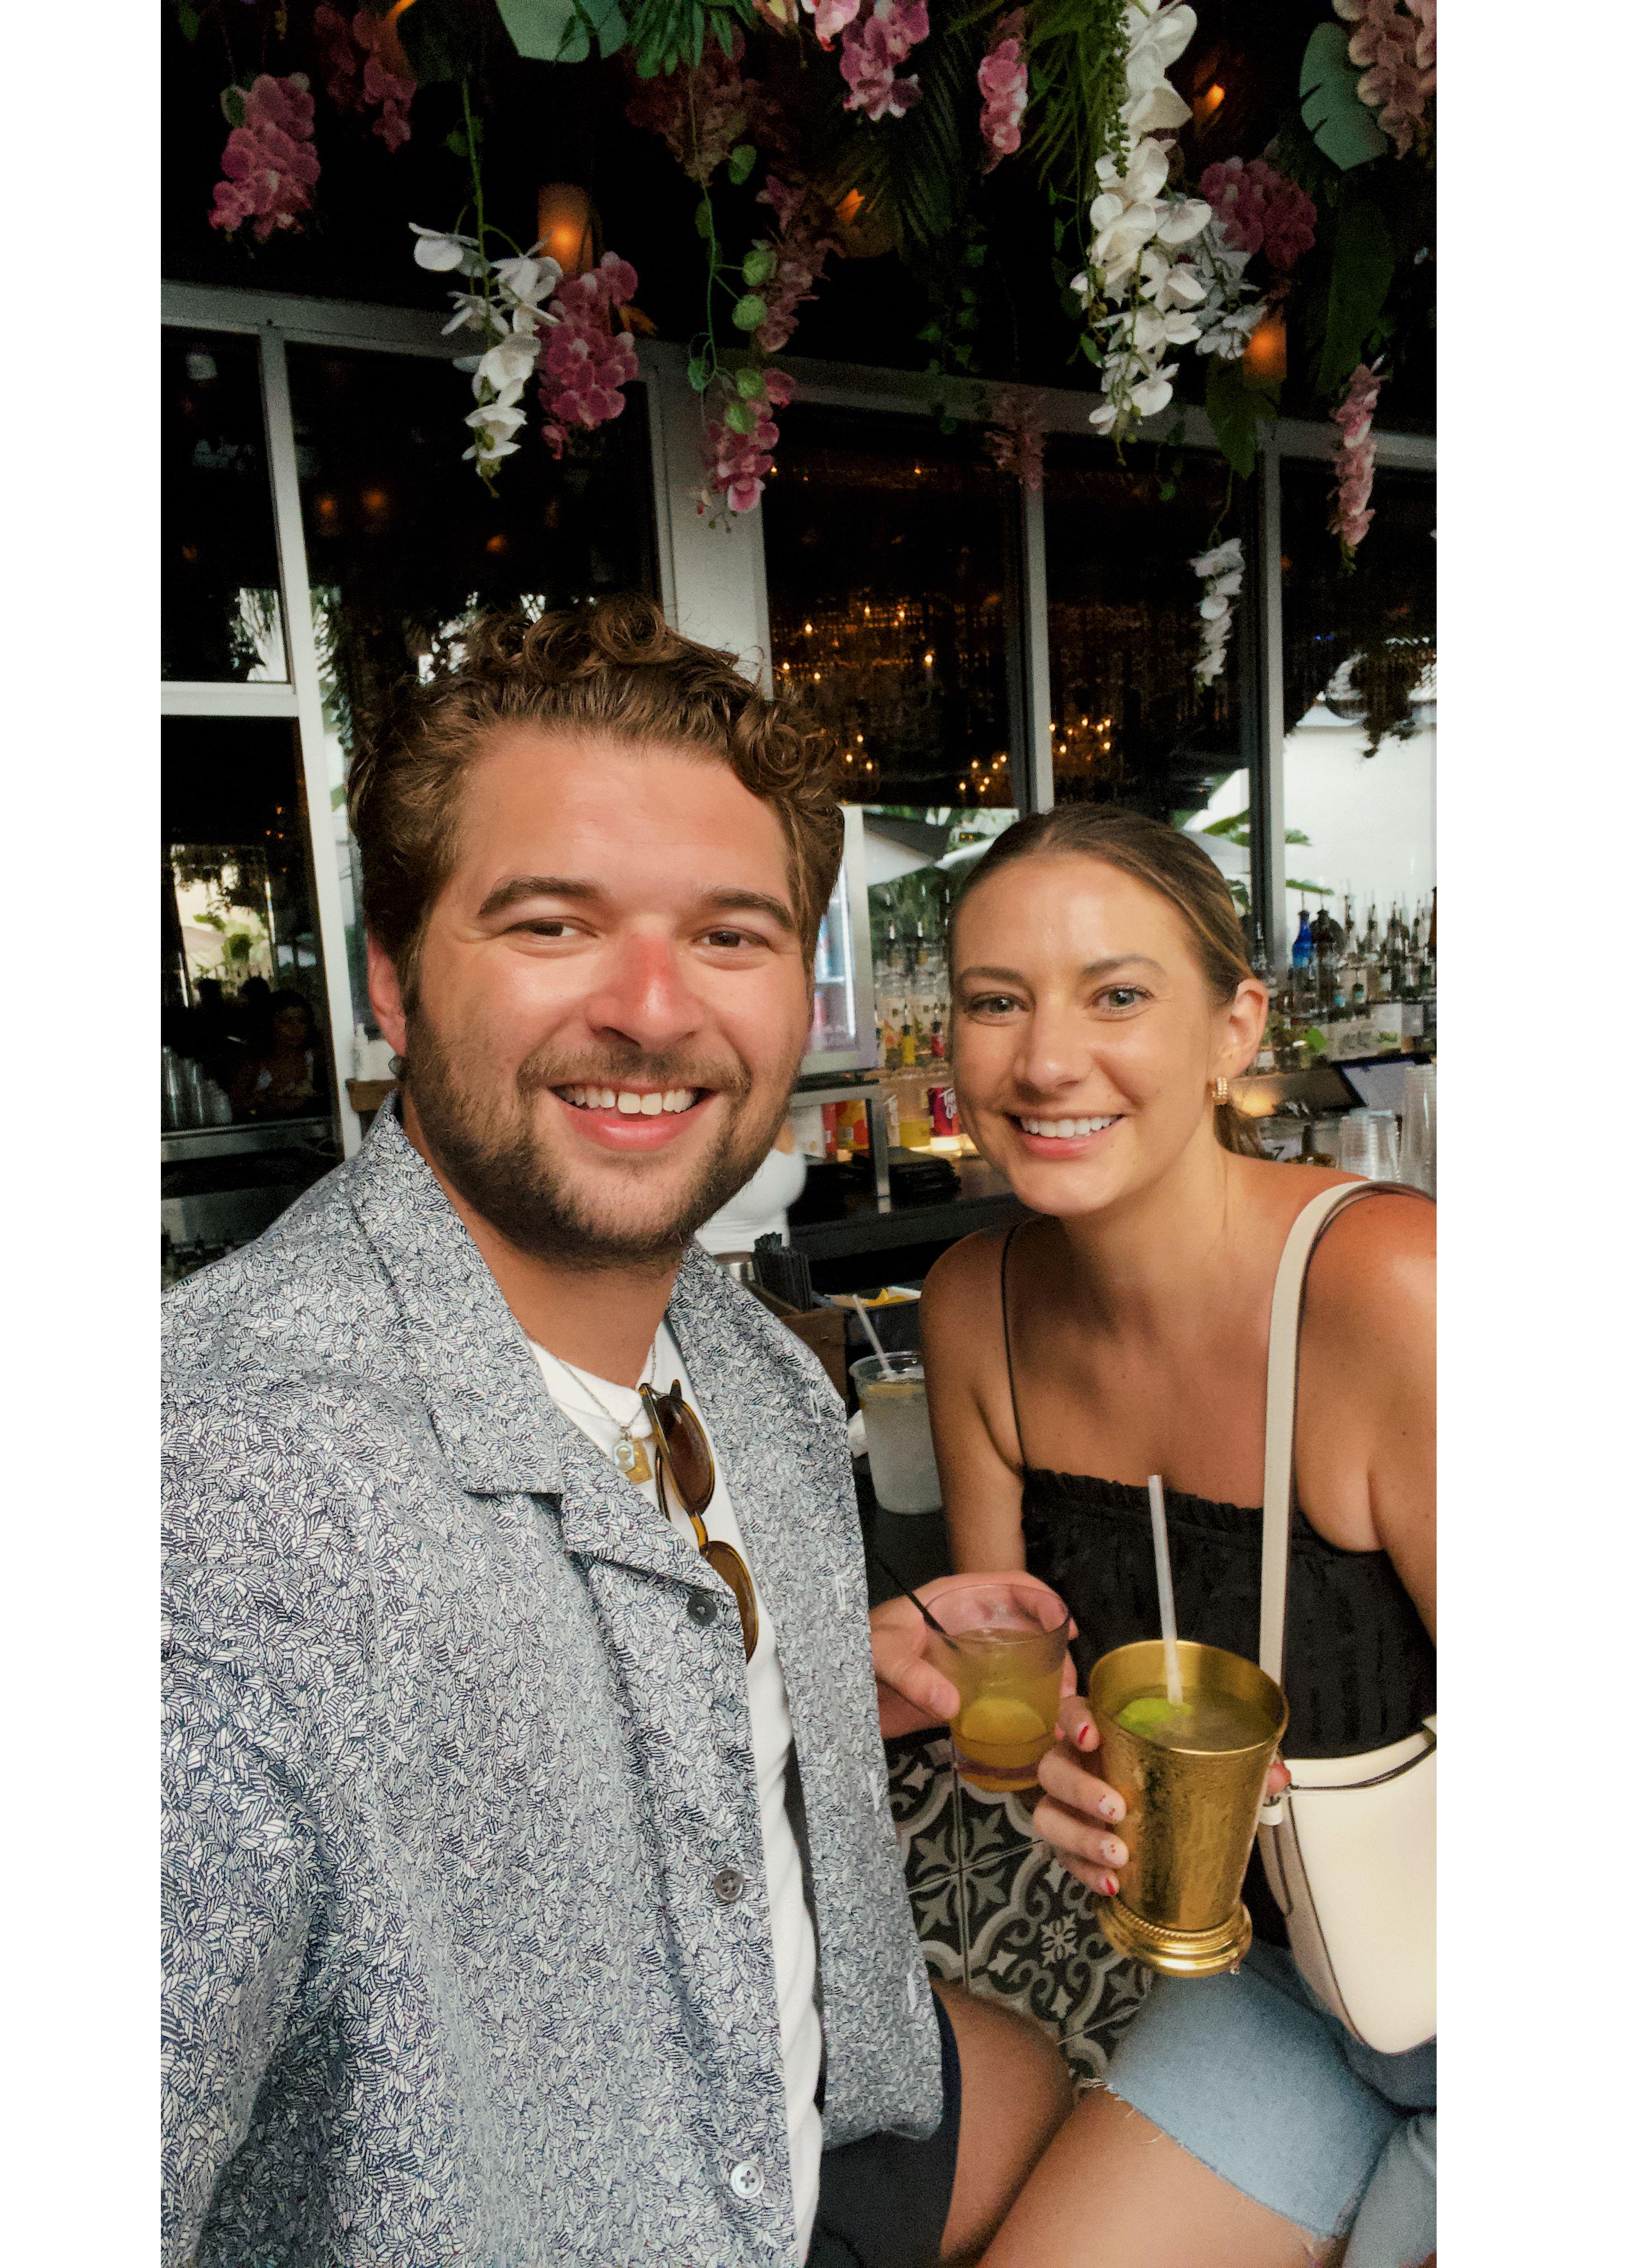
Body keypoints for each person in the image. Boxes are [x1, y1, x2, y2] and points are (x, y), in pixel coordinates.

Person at [162, 595, 1074, 2268]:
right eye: (552, 924)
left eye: (729, 936)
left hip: (830, 2135)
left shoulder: (760, 1383)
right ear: (392, 982)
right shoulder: (220, 1501)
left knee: (1059, 2092)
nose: (654, 1011)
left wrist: (801, 1673)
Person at [913, 804, 1436, 2268]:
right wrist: (1053, 1775)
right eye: (997, 1002)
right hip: (1282, 1995)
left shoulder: (1389, 1290)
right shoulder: (977, 1311)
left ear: (1233, 1027)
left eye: (1117, 995)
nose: (1045, 1059)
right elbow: (1014, 1695)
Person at [226, 988, 327, 1119]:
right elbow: (233, 1107)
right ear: (269, 1024)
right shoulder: (255, 1063)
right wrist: (261, 1099)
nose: (295, 1029)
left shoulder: (316, 1057)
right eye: (286, 1022)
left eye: (302, 1021)